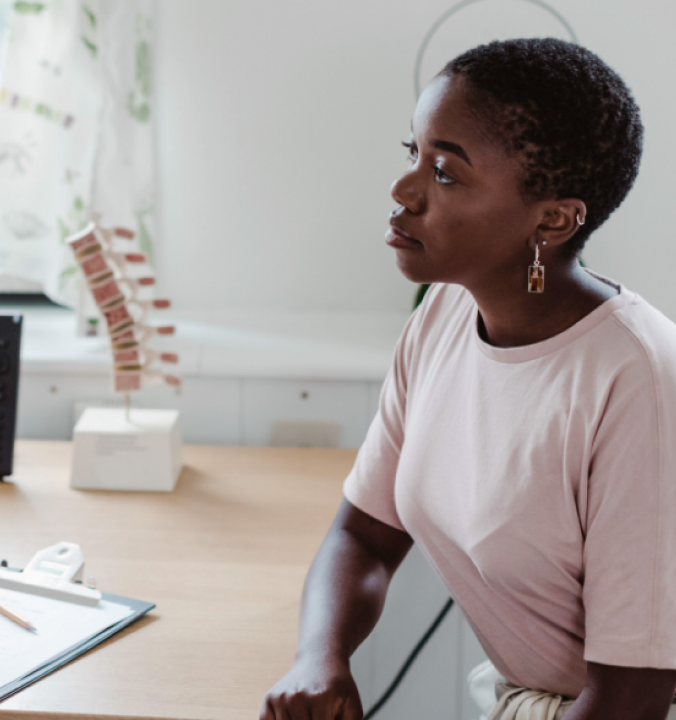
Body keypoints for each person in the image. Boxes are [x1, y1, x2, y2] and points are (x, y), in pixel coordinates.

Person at [260, 39, 676, 720]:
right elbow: (362, 537)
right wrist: (320, 658)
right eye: (413, 153)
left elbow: (632, 697)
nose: (404, 190)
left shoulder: (640, 383)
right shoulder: (448, 313)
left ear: (553, 218)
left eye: (446, 173)